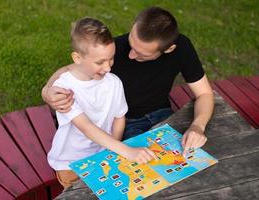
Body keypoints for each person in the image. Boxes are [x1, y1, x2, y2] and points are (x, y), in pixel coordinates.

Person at [42, 7, 214, 158]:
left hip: (162, 114)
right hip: (125, 121)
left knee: (191, 155)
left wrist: (198, 126)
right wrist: (47, 91)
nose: (131, 54)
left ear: (169, 49)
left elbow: (205, 93)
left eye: (142, 54)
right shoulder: (112, 50)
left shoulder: (182, 47)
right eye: (131, 43)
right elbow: (69, 69)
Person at [47, 18, 157, 189]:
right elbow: (86, 127)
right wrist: (125, 150)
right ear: (77, 58)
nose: (108, 68)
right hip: (71, 163)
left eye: (111, 59)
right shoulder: (65, 88)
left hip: (104, 153)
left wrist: (111, 150)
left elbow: (119, 118)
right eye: (100, 62)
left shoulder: (113, 82)